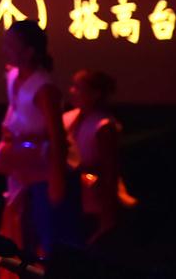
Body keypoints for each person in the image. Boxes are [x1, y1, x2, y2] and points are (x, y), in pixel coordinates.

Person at [0, 20, 81, 260]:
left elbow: (57, 136)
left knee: (52, 243)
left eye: (11, 45)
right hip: (27, 171)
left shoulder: (44, 87)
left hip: (47, 172)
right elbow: (14, 118)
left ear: (29, 52)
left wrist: (56, 182)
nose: (5, 50)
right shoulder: (13, 77)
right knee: (24, 239)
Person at [63, 69, 133, 242]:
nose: (72, 91)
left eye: (78, 88)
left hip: (93, 197)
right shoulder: (67, 118)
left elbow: (110, 171)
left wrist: (108, 215)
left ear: (96, 94)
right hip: (69, 194)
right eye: (73, 86)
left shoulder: (104, 126)